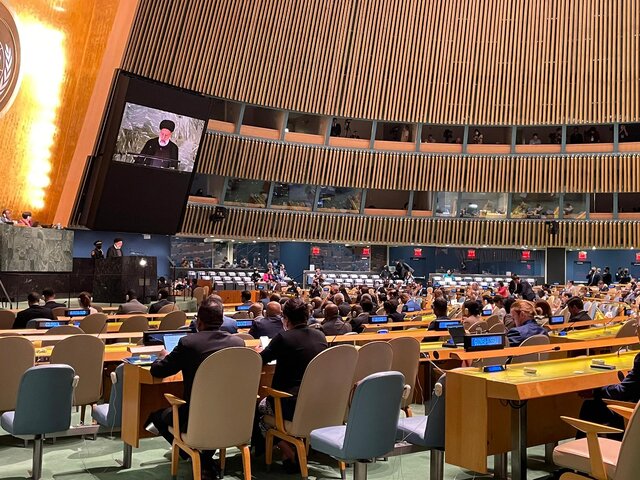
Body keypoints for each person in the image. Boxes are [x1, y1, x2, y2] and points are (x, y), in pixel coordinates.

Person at [148, 301, 244, 480]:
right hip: (231, 415)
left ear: (198, 322)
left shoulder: (188, 343)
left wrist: (161, 357)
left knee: (156, 417)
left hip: (197, 417)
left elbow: (159, 371)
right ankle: (205, 459)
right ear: (222, 320)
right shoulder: (238, 343)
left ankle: (201, 459)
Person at [252, 298, 327, 466]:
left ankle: (289, 451)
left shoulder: (283, 338)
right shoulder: (320, 336)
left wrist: (257, 352)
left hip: (289, 403)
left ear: (285, 318)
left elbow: (260, 360)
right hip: (317, 401)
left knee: (259, 411)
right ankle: (291, 447)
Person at [577, 326, 640, 439]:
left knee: (589, 407)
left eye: (638, 327)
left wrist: (595, 391)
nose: (635, 331)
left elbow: (623, 392)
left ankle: (584, 448)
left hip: (633, 415)